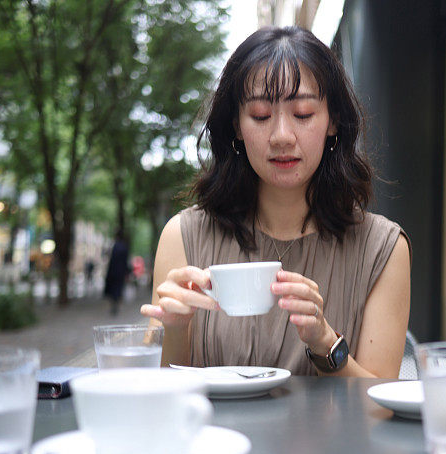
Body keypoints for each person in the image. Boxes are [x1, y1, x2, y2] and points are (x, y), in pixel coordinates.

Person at [140, 26, 410, 378]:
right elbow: (152, 389)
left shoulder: (383, 250)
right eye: (261, 116)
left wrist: (325, 342)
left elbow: (381, 406)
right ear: (236, 126)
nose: (282, 136)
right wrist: (173, 326)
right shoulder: (183, 236)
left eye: (302, 114)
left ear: (334, 122)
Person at [103, 229, 129, 315]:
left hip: (113, 272)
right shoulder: (124, 247)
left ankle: (113, 305)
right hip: (120, 273)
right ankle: (116, 305)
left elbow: (111, 261)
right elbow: (125, 262)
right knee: (118, 289)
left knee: (113, 289)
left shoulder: (114, 246)